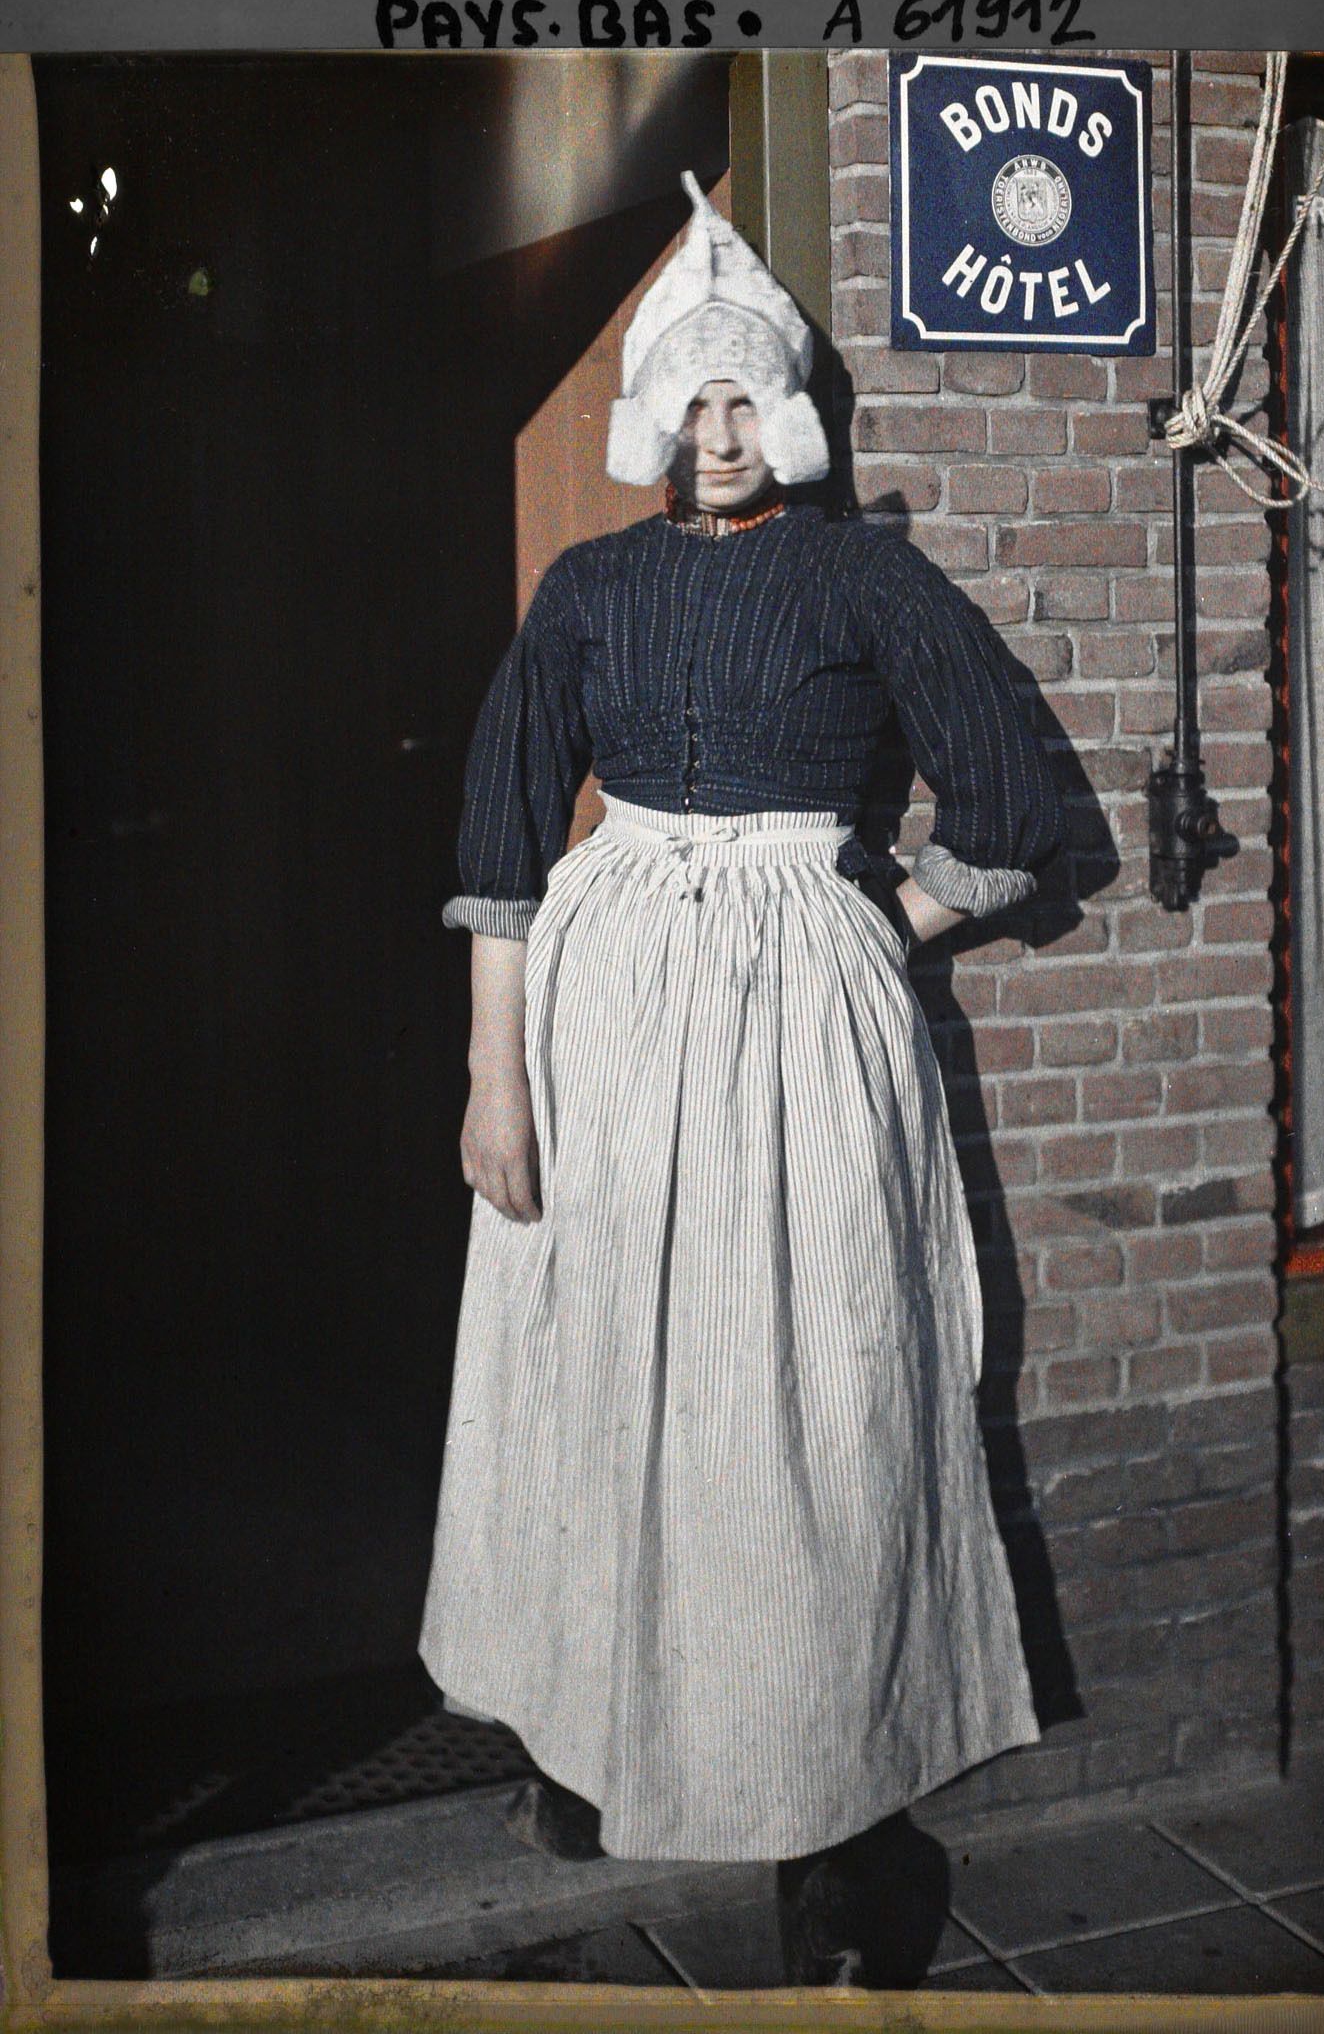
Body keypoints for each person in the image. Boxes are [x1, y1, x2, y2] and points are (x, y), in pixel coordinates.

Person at [419, 172, 1066, 1987]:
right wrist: (498, 1081)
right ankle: (594, 1742)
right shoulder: (590, 589)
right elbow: (499, 836)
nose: (714, 438)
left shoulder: (865, 571)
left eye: (740, 400)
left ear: (779, 411)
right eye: (686, 404)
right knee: (609, 1381)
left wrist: (870, 927)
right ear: (652, 420)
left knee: (809, 1408)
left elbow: (1015, 805)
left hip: (805, 1040)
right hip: (604, 1022)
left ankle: (838, 1839)